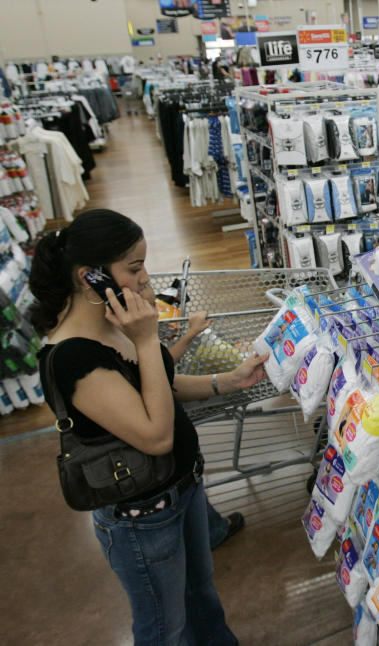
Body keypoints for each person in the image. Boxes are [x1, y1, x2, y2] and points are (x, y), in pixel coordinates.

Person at [30, 209, 267, 646]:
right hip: (143, 518)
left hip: (183, 488)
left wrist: (225, 382)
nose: (144, 279)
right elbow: (155, 435)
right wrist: (144, 337)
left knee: (201, 594)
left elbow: (160, 384)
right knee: (164, 626)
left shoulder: (112, 323)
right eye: (134, 268)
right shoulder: (72, 359)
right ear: (90, 277)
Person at [143, 283, 245, 551]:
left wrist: (190, 334)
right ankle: (211, 531)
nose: (146, 284)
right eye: (135, 269)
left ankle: (211, 529)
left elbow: (163, 370)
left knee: (187, 479)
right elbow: (160, 378)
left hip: (178, 468)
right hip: (163, 476)